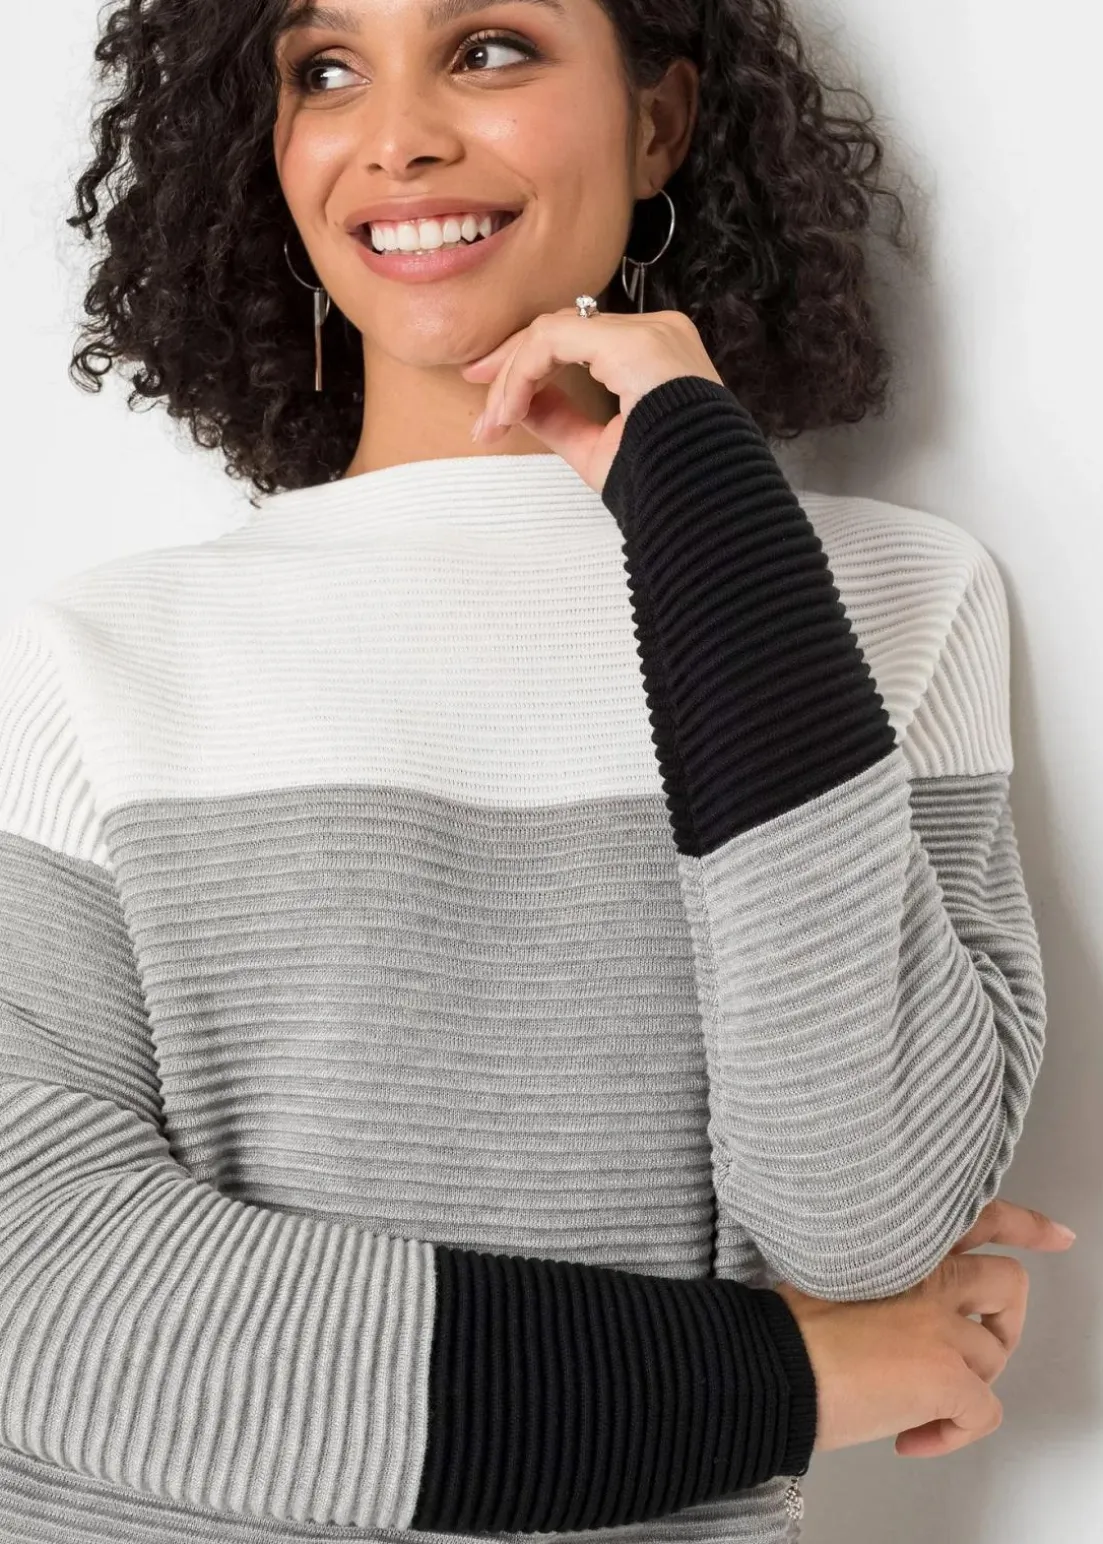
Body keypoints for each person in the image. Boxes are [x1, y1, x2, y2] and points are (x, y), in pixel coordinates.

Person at [0, 1, 1073, 1541]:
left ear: (658, 123)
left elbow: (864, 1218)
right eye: (325, 71)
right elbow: (40, 1291)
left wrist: (699, 500)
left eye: (489, 47)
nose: (397, 136)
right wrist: (789, 1379)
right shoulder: (98, 655)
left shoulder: (878, 602)